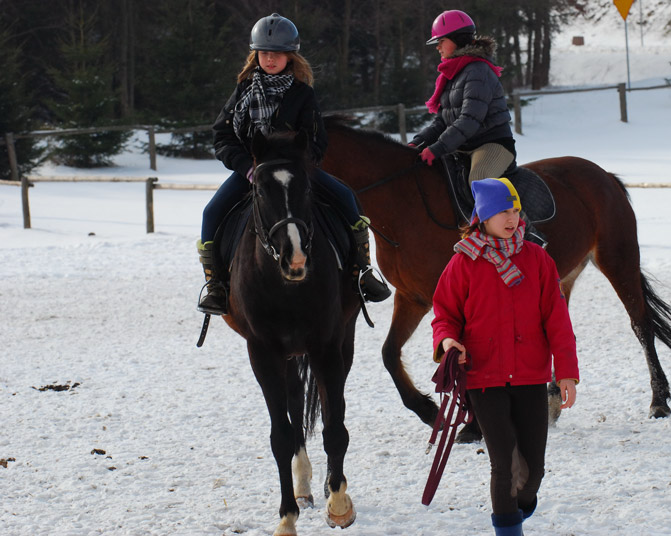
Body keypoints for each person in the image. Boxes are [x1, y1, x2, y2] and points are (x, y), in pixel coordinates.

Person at [197, 13, 390, 315]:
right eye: (264, 53)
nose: (270, 59)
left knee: (347, 198)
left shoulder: (302, 94)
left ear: (290, 56)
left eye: (277, 53)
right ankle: (216, 285)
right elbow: (222, 136)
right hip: (253, 173)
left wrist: (301, 166)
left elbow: (317, 139)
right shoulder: (243, 92)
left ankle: (361, 271)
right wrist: (247, 167)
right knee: (211, 213)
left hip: (296, 173)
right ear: (255, 55)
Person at [430, 178, 579, 536]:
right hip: (484, 380)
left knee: (533, 471)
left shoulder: (538, 259)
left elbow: (558, 320)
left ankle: (517, 508)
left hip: (530, 377)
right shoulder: (463, 263)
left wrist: (566, 372)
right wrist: (448, 342)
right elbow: (444, 315)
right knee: (504, 465)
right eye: (502, 212)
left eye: (515, 210)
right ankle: (509, 529)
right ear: (483, 216)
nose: (512, 218)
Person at [410, 10, 516, 184]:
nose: (438, 47)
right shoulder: (452, 73)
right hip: (462, 145)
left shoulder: (478, 71)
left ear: (458, 40)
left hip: (492, 144)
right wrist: (417, 142)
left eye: (441, 41)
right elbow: (442, 122)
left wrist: (438, 148)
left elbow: (469, 119)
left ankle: (507, 203)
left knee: (478, 180)